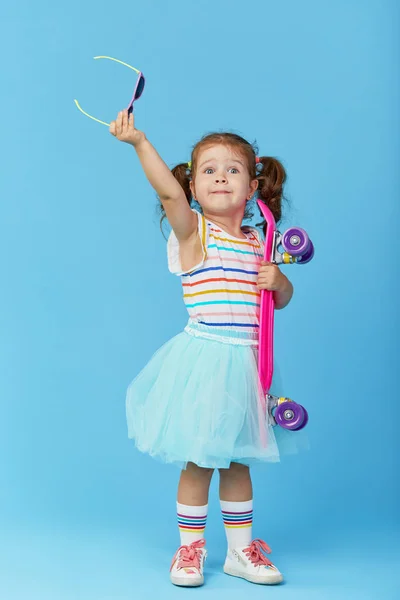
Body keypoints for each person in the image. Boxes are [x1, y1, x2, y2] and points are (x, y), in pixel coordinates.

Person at [110, 109, 295, 587]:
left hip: (248, 365)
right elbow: (166, 190)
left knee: (237, 460)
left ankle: (240, 551)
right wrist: (139, 143)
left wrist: (281, 280)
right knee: (199, 459)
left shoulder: (259, 241)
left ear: (252, 188)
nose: (219, 177)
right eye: (207, 170)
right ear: (193, 189)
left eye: (232, 169)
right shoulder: (195, 233)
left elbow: (280, 300)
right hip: (205, 360)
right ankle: (189, 550)